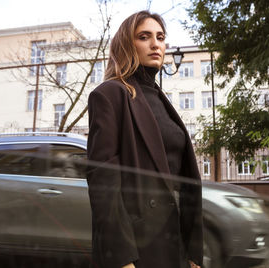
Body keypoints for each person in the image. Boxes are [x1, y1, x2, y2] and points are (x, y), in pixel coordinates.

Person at [86, 10, 203, 268]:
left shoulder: (161, 100)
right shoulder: (109, 94)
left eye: (160, 37)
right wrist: (122, 259)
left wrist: (194, 249)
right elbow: (103, 181)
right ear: (127, 44)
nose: (155, 44)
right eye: (144, 36)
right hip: (139, 248)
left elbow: (185, 180)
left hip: (174, 243)